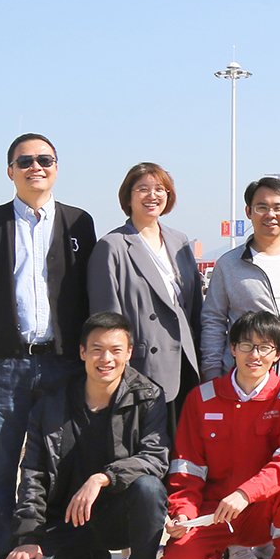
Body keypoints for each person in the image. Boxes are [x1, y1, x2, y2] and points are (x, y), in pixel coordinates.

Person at [0, 132, 99, 559]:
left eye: (45, 159)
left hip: (62, 365)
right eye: (26, 160)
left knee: (63, 463)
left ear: (57, 167)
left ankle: (58, 552)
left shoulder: (79, 223)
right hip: (4, 367)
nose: (37, 167)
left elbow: (89, 294)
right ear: (10, 170)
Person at [0, 311, 168, 559]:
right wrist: (28, 537)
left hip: (119, 516)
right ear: (82, 352)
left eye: (116, 350)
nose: (106, 359)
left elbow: (155, 457)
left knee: (149, 489)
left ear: (129, 354)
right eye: (97, 350)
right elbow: (34, 472)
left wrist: (103, 478)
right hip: (68, 518)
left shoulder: (147, 396)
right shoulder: (52, 402)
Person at [160, 311, 280, 559]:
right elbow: (186, 466)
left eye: (264, 347)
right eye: (246, 345)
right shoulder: (202, 398)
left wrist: (245, 493)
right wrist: (183, 513)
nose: (254, 355)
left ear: (277, 354)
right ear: (232, 348)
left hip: (264, 505)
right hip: (215, 509)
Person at [86, 162, 203, 423]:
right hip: (143, 367)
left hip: (185, 362)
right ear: (128, 197)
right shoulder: (112, 246)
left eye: (160, 189)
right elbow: (106, 319)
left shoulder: (179, 241)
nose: (152, 195)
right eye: (142, 189)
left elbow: (195, 306)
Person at [201, 177, 280, 388]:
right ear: (249, 211)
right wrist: (212, 373)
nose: (270, 214)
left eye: (278, 208)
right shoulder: (229, 264)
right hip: (241, 380)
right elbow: (213, 321)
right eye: (262, 207)